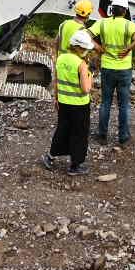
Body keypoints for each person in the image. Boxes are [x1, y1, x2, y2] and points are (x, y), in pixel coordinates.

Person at [91, 0, 135, 147]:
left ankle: (102, 135)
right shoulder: (129, 25)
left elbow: (86, 35)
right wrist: (128, 49)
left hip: (107, 68)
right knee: (124, 104)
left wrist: (98, 48)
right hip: (124, 70)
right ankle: (123, 137)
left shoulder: (102, 23)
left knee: (105, 102)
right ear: (125, 10)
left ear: (111, 9)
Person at [44, 29, 96, 176]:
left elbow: (56, 81)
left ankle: (50, 157)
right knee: (79, 134)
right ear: (79, 47)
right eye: (85, 48)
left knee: (62, 130)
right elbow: (86, 89)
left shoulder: (61, 59)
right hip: (79, 106)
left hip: (63, 103)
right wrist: (90, 75)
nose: (87, 51)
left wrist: (56, 98)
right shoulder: (81, 64)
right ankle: (75, 165)